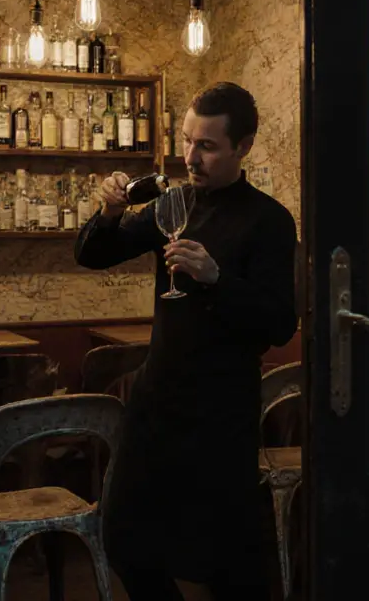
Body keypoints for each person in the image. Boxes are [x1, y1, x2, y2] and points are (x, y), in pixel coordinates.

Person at [74, 82, 298, 601]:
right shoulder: (172, 203)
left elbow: (279, 324)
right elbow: (92, 255)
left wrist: (217, 277)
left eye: (208, 146)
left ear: (244, 146)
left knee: (216, 562)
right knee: (124, 540)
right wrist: (108, 214)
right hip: (156, 400)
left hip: (221, 411)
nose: (190, 157)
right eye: (188, 141)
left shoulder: (269, 221)